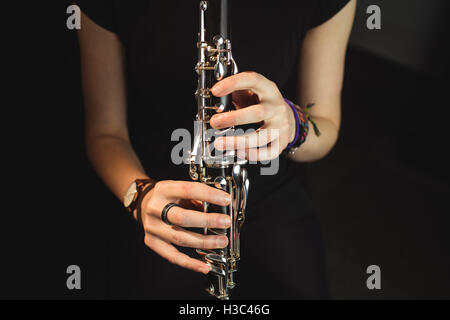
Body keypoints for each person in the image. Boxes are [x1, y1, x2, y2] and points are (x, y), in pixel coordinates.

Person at [76, 0, 356, 299]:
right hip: (159, 191)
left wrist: (293, 125)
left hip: (270, 188)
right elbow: (105, 134)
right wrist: (140, 196)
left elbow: (326, 126)